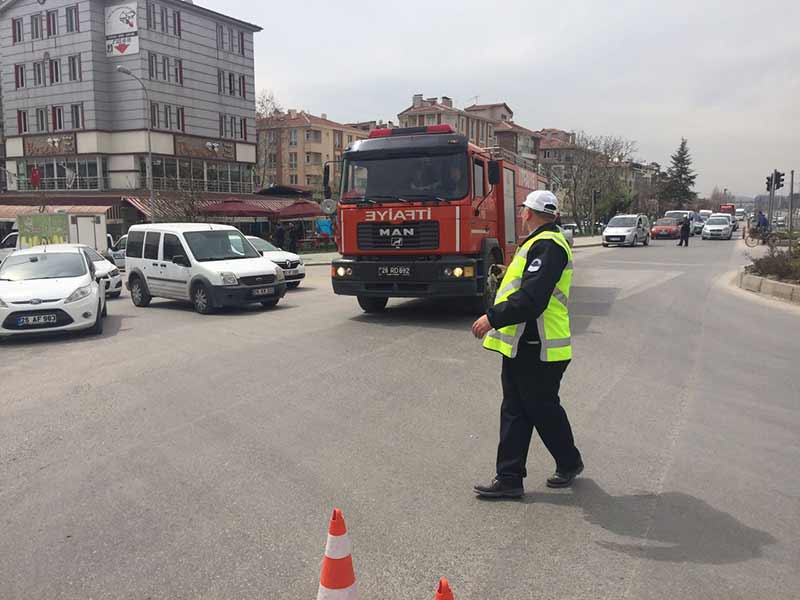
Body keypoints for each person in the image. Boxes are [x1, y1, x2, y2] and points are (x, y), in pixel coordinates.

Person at [472, 190, 583, 499]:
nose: (521, 215)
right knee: (518, 410)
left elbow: (533, 300)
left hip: (540, 344)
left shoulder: (547, 245)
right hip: (527, 344)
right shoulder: (541, 243)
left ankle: (568, 462)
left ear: (528, 213)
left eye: (523, 211)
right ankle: (509, 478)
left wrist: (491, 318)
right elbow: (533, 285)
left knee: (539, 410)